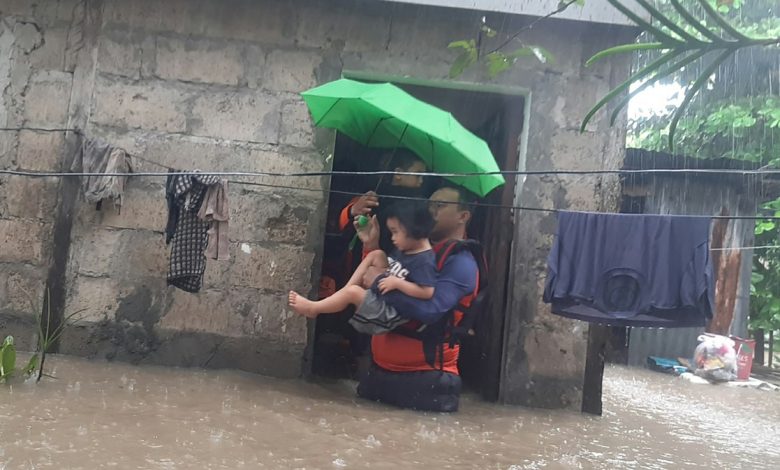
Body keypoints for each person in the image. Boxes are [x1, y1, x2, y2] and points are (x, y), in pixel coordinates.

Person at [343, 186, 482, 412]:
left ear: (463, 217)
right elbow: (379, 287)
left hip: (426, 382)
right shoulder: (415, 252)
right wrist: (371, 246)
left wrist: (379, 282)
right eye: (429, 205)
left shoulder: (461, 263)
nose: (430, 211)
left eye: (440, 206)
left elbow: (431, 312)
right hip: (379, 372)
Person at [290, 201, 436, 335]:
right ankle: (343, 292)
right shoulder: (407, 248)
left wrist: (397, 283)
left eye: (396, 232)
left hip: (390, 313)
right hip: (386, 293)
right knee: (377, 254)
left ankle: (314, 309)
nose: (393, 238)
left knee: (353, 292)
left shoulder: (424, 261)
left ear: (414, 230)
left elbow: (427, 292)